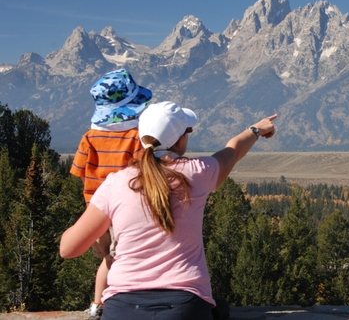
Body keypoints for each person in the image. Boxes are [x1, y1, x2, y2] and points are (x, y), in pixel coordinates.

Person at [61, 101, 277, 320]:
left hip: (123, 308)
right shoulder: (199, 173)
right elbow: (234, 149)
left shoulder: (116, 183)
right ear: (181, 141)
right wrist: (255, 130)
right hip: (186, 306)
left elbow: (68, 249)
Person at [70, 69, 153, 320]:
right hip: (124, 209)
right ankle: (123, 304)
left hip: (95, 210)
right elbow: (143, 173)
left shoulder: (89, 138)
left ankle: (97, 304)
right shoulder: (136, 137)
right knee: (123, 258)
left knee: (107, 258)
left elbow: (79, 172)